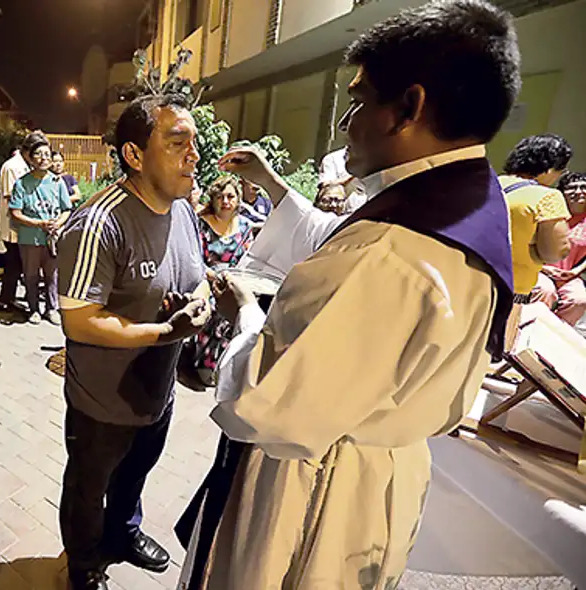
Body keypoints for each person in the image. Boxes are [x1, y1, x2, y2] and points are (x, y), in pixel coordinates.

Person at [177, 2, 519, 588]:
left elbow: (266, 403)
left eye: (357, 100)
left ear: (408, 107)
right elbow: (336, 249)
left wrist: (244, 316)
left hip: (313, 483)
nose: (344, 123)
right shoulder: (464, 206)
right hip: (379, 469)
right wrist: (275, 185)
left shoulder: (390, 251)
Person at [56, 94, 212, 590]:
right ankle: (83, 565)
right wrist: (166, 332)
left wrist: (201, 301)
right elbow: (78, 321)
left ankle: (124, 533)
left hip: (155, 389)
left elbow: (199, 275)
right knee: (88, 488)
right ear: (134, 155)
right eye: (177, 142)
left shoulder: (184, 212)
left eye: (194, 142)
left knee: (137, 473)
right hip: (101, 401)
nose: (194, 154)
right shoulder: (99, 222)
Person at [499, 133, 573, 346]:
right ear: (550, 169)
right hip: (510, 291)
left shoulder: (489, 183)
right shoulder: (547, 197)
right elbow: (555, 252)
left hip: (467, 281)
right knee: (489, 358)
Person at [186, 175, 257, 387]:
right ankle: (206, 364)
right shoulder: (201, 224)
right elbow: (195, 259)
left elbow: (248, 257)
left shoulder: (244, 226)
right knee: (214, 307)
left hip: (235, 279)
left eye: (230, 196)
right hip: (206, 278)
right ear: (213, 199)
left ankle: (228, 365)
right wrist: (214, 276)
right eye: (220, 197)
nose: (226, 201)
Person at [10, 135, 74, 325]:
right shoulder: (21, 183)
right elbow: (15, 212)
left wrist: (58, 223)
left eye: (47, 154)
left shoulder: (57, 182)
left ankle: (52, 308)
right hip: (30, 239)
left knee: (52, 275)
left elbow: (66, 209)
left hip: (52, 239)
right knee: (30, 275)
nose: (43, 158)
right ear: (30, 158)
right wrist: (38, 224)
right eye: (38, 154)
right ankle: (33, 309)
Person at [531, 171, 586, 326]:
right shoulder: (550, 213)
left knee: (579, 300)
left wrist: (576, 272)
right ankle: (533, 331)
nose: (578, 192)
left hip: (569, 275)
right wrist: (544, 268)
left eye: (583, 187)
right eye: (572, 188)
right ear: (561, 193)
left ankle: (557, 334)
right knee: (544, 292)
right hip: (541, 269)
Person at [0, 136, 36, 312]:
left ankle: (8, 298)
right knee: (13, 263)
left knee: (17, 264)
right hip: (12, 223)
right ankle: (4, 300)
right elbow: (10, 194)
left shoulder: (25, 165)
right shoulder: (12, 166)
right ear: (28, 151)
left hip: (21, 224)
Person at [318, 146, 367, 213]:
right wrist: (352, 175)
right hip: (334, 211)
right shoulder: (332, 158)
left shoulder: (374, 161)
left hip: (360, 212)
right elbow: (326, 185)